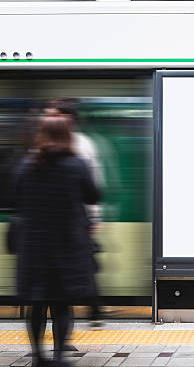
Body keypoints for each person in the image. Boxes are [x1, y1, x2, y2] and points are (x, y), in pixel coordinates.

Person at [13, 115, 100, 366]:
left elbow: (14, 198)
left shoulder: (26, 165)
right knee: (62, 304)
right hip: (66, 246)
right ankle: (60, 355)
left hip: (34, 248)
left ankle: (39, 356)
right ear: (67, 135)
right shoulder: (77, 165)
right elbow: (94, 196)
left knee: (37, 304)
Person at [46, 98, 105, 329]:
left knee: (83, 264)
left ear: (67, 118)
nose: (47, 119)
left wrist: (93, 216)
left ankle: (93, 309)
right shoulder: (43, 144)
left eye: (52, 114)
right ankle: (83, 311)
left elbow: (93, 184)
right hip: (57, 221)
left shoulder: (83, 144)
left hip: (75, 219)